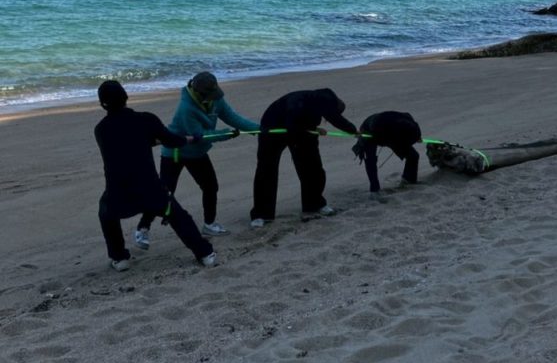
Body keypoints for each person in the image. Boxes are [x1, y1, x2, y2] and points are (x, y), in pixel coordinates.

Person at [94, 80, 216, 271]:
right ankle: (204, 253)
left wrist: (152, 140)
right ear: (126, 97)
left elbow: (125, 144)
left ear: (103, 104)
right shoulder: (146, 120)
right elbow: (172, 141)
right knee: (178, 215)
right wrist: (190, 139)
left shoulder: (101, 129)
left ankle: (119, 258)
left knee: (106, 213)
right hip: (150, 189)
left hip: (119, 192)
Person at [134, 71, 259, 249]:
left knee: (210, 186)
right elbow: (201, 136)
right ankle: (143, 228)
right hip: (175, 152)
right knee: (164, 193)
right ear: (199, 93)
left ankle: (209, 224)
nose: (214, 98)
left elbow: (232, 117)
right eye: (210, 95)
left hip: (197, 154)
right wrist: (226, 134)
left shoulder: (216, 99)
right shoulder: (186, 108)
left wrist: (257, 129)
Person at [250, 88, 358, 227]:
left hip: (299, 127)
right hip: (273, 126)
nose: (326, 118)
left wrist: (313, 129)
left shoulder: (317, 103)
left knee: (313, 167)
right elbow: (336, 120)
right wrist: (353, 131)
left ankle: (314, 204)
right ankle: (261, 214)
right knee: (266, 171)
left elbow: (305, 120)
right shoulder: (326, 100)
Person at [352, 111, 422, 201]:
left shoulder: (411, 124)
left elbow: (408, 118)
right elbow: (370, 162)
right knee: (371, 160)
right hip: (371, 130)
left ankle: (409, 181)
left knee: (413, 156)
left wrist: (417, 137)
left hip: (394, 130)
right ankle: (375, 190)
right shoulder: (378, 129)